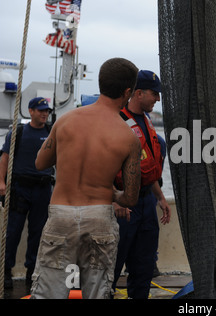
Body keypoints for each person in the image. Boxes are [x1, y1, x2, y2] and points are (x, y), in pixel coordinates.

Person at [29, 57, 141, 299]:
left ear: (101, 84)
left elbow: (40, 163)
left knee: (49, 293)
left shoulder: (66, 120)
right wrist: (109, 191)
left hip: (61, 214)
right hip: (99, 216)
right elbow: (131, 198)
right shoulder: (128, 137)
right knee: (96, 293)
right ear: (128, 92)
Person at [112, 70, 171, 299]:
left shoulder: (147, 121)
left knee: (144, 267)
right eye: (154, 94)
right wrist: (115, 200)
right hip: (124, 204)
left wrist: (160, 198)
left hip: (146, 202)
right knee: (113, 264)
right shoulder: (117, 121)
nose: (158, 99)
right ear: (138, 93)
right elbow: (104, 165)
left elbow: (148, 169)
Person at [0, 97, 54, 289]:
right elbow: (5, 158)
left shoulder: (51, 133)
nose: (44, 114)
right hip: (20, 188)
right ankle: (6, 271)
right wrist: (1, 182)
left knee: (38, 234)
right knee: (12, 231)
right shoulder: (18, 132)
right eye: (40, 110)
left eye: (46, 111)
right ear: (30, 111)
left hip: (42, 189)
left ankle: (32, 271)